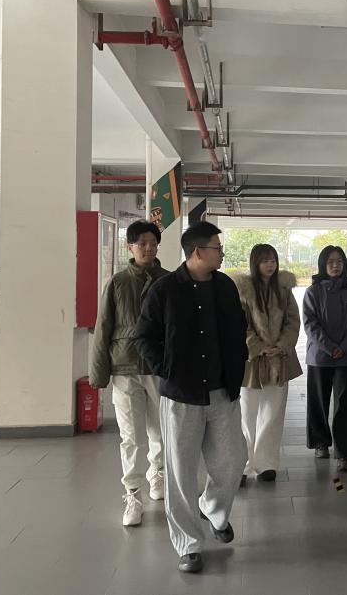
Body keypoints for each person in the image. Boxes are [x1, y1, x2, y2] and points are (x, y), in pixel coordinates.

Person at [133, 221, 248, 575]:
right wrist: (166, 369)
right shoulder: (165, 290)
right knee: (180, 473)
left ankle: (213, 508)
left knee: (233, 460)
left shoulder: (225, 287)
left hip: (222, 392)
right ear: (198, 252)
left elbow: (238, 330)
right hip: (182, 396)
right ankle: (189, 545)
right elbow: (143, 336)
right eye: (217, 248)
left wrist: (237, 366)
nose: (222, 253)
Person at [90, 220, 168, 527]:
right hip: (124, 366)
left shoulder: (168, 280)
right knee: (131, 436)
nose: (148, 248)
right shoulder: (118, 282)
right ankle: (133, 493)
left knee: (161, 429)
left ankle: (157, 473)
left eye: (153, 243)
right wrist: (99, 374)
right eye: (142, 243)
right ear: (130, 247)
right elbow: (103, 328)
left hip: (159, 367)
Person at [232, 244, 302, 483]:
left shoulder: (284, 289)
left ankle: (266, 464)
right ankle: (242, 465)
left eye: (273, 260)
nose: (270, 265)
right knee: (246, 414)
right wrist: (259, 347)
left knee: (273, 413)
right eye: (264, 261)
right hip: (252, 361)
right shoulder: (244, 290)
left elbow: (293, 321)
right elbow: (240, 324)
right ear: (255, 263)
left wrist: (281, 345)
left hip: (279, 359)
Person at [302, 245, 347, 472]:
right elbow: (310, 324)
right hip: (319, 356)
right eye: (330, 262)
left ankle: (345, 453)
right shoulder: (313, 291)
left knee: (345, 403)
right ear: (323, 265)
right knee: (318, 400)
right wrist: (329, 347)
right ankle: (320, 442)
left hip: (346, 356)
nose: (335, 265)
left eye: (339, 261)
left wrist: (343, 347)